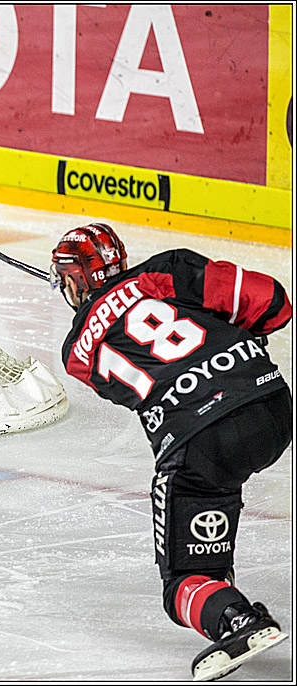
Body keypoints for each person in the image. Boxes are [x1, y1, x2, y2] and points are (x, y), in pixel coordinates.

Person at [49, 222, 291, 681]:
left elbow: (142, 371)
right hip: (271, 405)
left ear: (76, 280)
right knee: (220, 469)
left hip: (202, 441)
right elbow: (274, 303)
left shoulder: (77, 353)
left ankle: (236, 618)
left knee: (184, 580)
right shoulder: (168, 269)